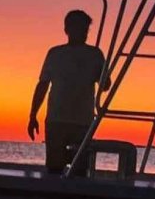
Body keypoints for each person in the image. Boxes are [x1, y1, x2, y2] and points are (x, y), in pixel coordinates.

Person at [28, 9, 107, 175]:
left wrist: (103, 73)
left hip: (83, 122)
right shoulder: (55, 53)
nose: (83, 33)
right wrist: (32, 115)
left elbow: (105, 85)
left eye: (85, 29)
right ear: (67, 30)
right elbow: (42, 85)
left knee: (80, 170)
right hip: (56, 119)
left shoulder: (95, 54)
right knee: (54, 168)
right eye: (79, 28)